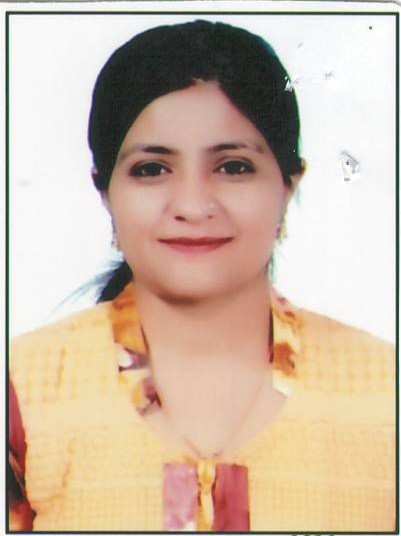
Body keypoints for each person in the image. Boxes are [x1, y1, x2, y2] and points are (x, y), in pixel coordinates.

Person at [9, 19, 395, 532]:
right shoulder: (22, 391)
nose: (193, 205)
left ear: (288, 185)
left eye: (233, 167)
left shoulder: (385, 393)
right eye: (151, 169)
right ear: (105, 191)